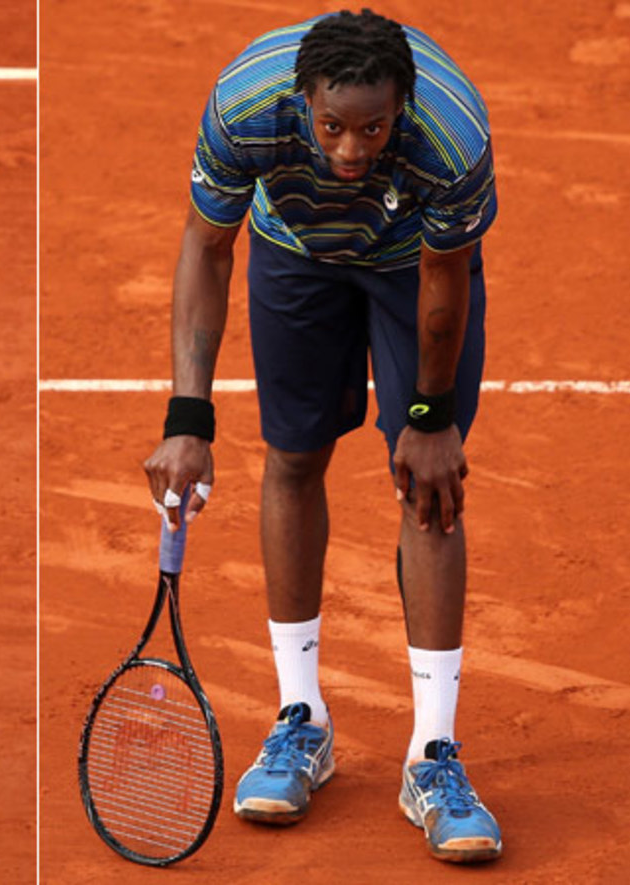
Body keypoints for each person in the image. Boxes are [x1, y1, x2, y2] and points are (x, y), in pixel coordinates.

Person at [143, 9, 502, 864]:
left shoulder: (451, 137)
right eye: (333, 125)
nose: (350, 149)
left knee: (429, 485)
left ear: (402, 106)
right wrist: (188, 418)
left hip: (412, 263)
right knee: (294, 459)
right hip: (295, 252)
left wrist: (429, 417)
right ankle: (300, 717)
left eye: (372, 129)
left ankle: (433, 754)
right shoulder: (245, 105)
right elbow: (207, 246)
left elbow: (446, 269)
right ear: (303, 99)